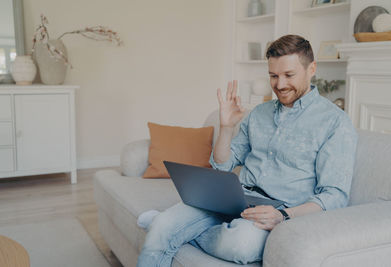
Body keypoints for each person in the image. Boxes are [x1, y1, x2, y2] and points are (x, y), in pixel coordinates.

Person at [137, 34, 358, 267]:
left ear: (311, 68)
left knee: (241, 245)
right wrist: (226, 127)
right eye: (273, 76)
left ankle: (168, 227)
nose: (280, 85)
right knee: (164, 227)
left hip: (276, 210)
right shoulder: (259, 113)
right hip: (233, 196)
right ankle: (165, 225)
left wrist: (283, 216)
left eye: (289, 75)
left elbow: (334, 196)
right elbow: (223, 164)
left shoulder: (335, 123)